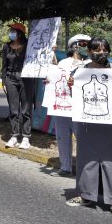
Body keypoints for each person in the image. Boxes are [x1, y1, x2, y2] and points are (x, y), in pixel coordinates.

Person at [66, 37, 112, 218]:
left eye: (105, 49)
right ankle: (85, 195)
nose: (101, 53)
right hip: (88, 122)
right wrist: (71, 86)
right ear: (89, 52)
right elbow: (76, 97)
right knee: (86, 159)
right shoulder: (80, 71)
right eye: (97, 50)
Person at [48, 34, 91, 177]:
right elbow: (56, 79)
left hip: (81, 108)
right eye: (84, 44)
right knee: (62, 136)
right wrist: (49, 82)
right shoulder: (63, 63)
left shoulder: (90, 63)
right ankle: (65, 167)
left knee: (83, 138)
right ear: (75, 46)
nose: (87, 47)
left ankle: (85, 169)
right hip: (63, 107)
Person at [1, 23, 36, 150]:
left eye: (13, 30)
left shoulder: (29, 46)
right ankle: (14, 135)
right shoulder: (6, 46)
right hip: (11, 78)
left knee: (26, 109)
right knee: (13, 109)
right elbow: (4, 66)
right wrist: (3, 81)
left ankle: (26, 137)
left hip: (26, 78)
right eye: (10, 30)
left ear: (20, 33)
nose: (11, 32)